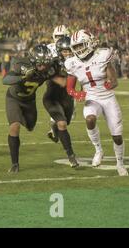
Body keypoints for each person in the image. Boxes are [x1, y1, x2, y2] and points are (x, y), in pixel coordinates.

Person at [65, 30, 128, 176]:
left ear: (89, 42)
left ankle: (120, 163)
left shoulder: (102, 55)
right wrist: (77, 94)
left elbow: (114, 81)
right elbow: (69, 88)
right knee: (90, 119)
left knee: (117, 136)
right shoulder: (72, 63)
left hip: (107, 97)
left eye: (81, 45)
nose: (79, 49)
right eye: (76, 47)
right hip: (91, 97)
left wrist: (110, 84)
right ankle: (98, 150)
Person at [2, 44, 64, 173]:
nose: (43, 66)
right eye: (40, 63)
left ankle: (24, 119)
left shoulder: (47, 69)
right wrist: (23, 77)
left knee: (30, 126)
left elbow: (62, 81)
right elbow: (6, 80)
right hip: (14, 98)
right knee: (15, 126)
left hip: (29, 101)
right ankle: (15, 164)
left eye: (45, 63)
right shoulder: (22, 64)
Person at [42, 36, 78, 167]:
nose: (68, 53)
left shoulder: (77, 61)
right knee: (62, 124)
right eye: (64, 51)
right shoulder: (53, 63)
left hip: (67, 99)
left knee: (64, 123)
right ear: (59, 51)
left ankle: (54, 129)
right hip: (52, 98)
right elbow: (63, 82)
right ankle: (71, 156)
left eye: (70, 50)